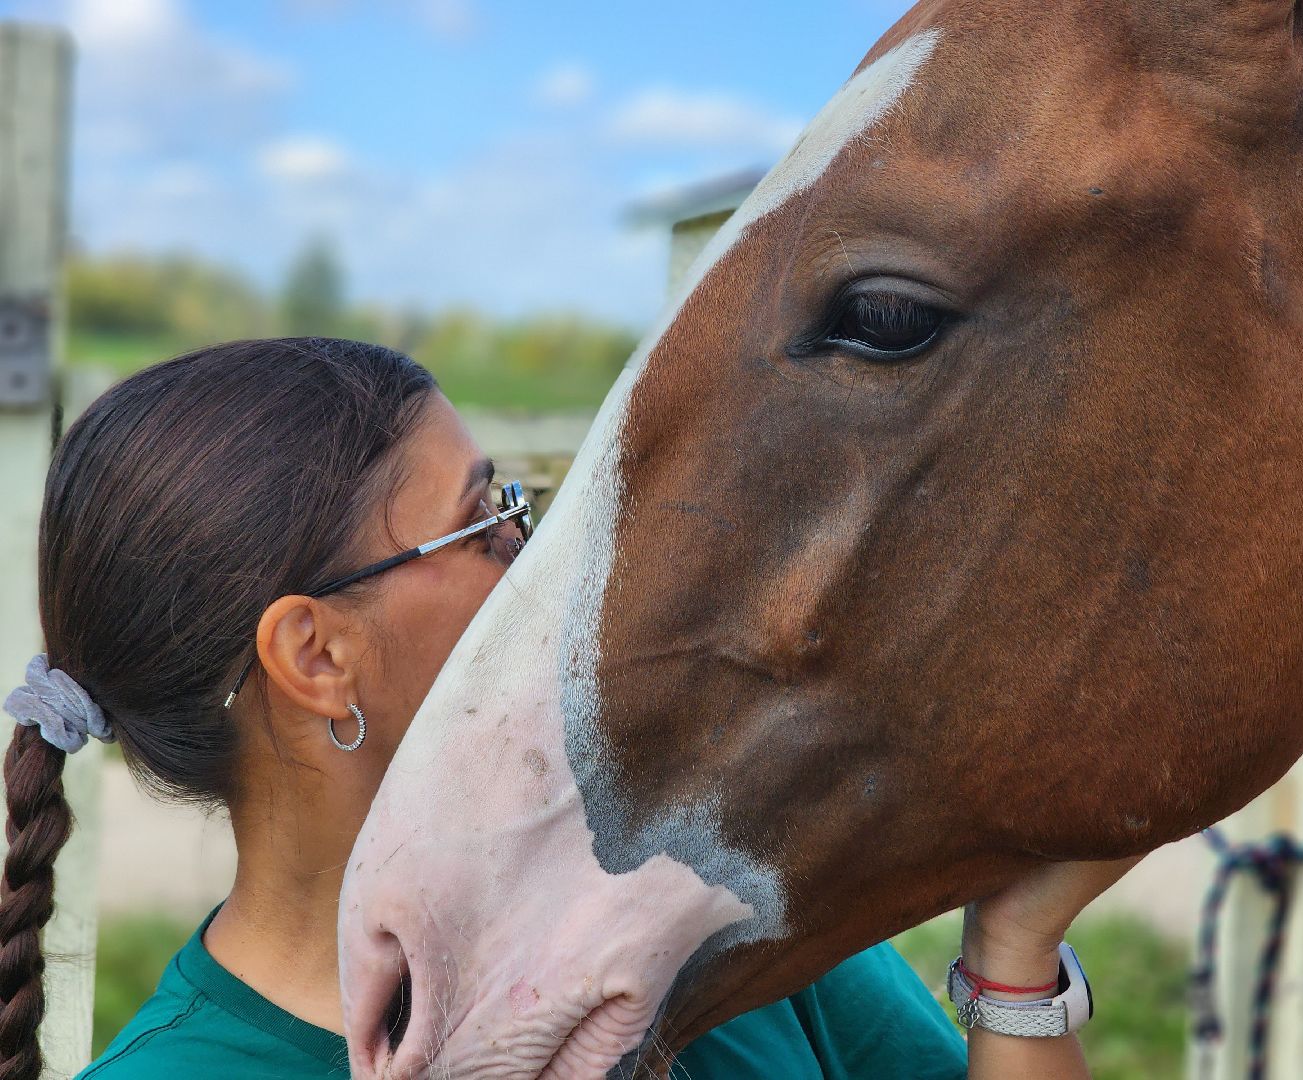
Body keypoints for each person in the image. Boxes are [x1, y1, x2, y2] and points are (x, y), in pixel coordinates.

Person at [0, 338, 1133, 1080]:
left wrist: (1017, 955)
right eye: (486, 520)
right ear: (318, 655)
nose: (543, 564)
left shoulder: (701, 905)